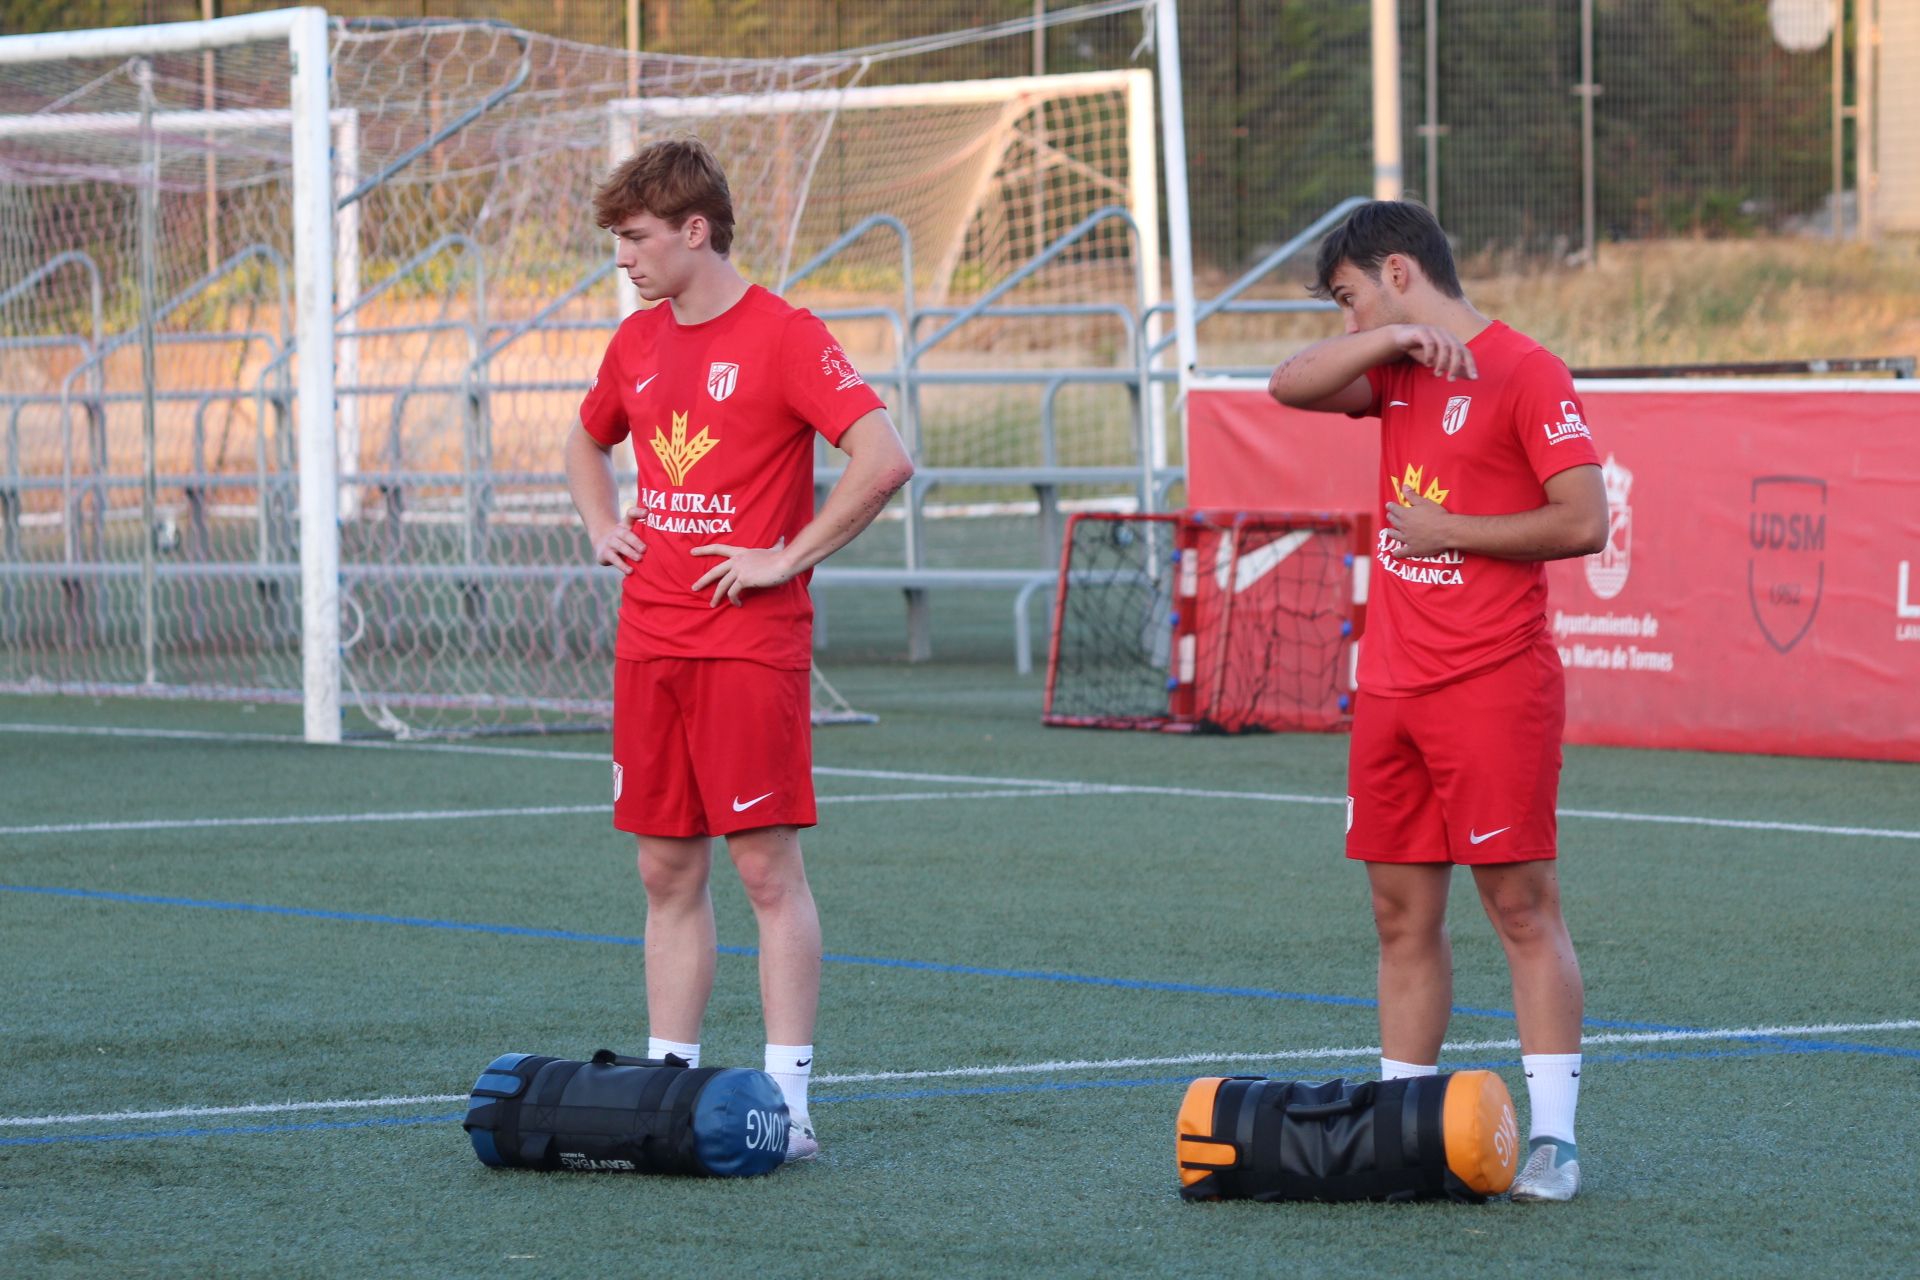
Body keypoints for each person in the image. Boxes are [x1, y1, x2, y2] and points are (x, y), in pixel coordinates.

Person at [565, 138, 914, 1164]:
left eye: (634, 238)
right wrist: (600, 524)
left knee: (764, 868)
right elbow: (588, 438)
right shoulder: (634, 343)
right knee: (664, 867)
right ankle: (668, 1084)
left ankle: (791, 1101)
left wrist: (784, 556)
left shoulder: (786, 336)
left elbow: (884, 458)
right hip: (651, 642)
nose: (623, 257)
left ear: (693, 229)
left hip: (748, 647)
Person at [1267, 200, 1607, 1202]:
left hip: (1494, 681)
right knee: (1395, 911)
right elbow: (1285, 386)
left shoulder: (1528, 371)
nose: (1344, 321)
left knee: (1519, 904)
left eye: (1350, 296)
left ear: (1400, 268)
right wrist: (1382, 334)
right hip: (1393, 687)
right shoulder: (1394, 367)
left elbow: (1585, 518)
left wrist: (1451, 527)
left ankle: (1555, 1139)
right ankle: (1398, 1124)